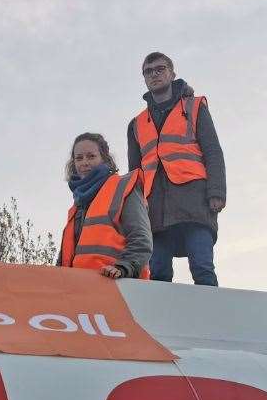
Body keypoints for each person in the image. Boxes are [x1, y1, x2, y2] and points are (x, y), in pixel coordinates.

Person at [127, 52, 226, 286]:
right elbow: (135, 172)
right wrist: (134, 210)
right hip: (155, 208)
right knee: (158, 273)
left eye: (160, 69)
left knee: (202, 268)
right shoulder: (136, 124)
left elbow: (212, 151)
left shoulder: (194, 107)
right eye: (148, 71)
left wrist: (217, 192)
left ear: (172, 73)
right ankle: (161, 321)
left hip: (195, 202)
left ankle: (211, 318)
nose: (154, 74)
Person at [58, 133, 151, 279]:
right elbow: (65, 255)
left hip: (119, 287)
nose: (84, 163)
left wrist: (122, 268)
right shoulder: (77, 206)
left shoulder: (123, 187)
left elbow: (141, 239)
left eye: (91, 156)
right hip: (76, 289)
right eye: (79, 158)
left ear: (104, 159)